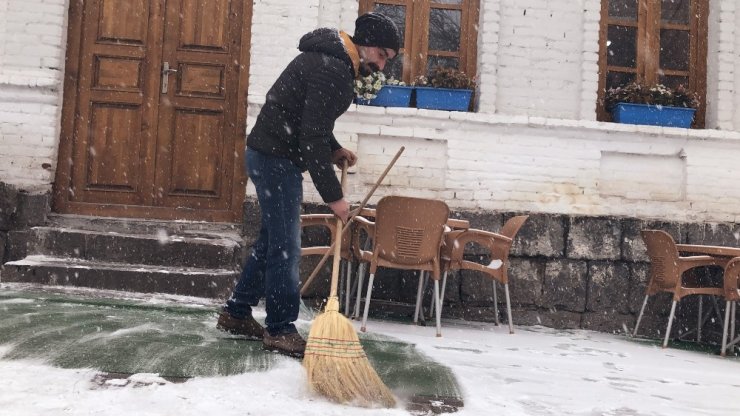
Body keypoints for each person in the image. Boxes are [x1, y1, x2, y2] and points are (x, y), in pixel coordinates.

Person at [216, 13, 401, 358]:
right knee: (286, 246)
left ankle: (236, 312)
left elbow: (309, 120)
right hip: (277, 160)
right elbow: (310, 136)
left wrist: (335, 149)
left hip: (267, 153)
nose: (382, 66)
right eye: (383, 57)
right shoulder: (334, 69)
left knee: (273, 239)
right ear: (369, 46)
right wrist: (335, 198)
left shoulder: (329, 60)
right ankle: (281, 329)